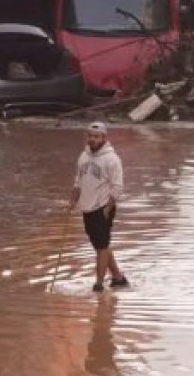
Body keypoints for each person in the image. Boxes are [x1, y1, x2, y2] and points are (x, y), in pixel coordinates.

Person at [68, 122, 128, 292]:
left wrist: (107, 210)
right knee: (100, 244)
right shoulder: (83, 156)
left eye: (96, 136)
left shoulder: (112, 159)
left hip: (102, 207)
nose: (92, 139)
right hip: (86, 207)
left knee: (101, 247)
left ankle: (99, 285)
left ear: (104, 138)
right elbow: (77, 182)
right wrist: (73, 201)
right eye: (90, 136)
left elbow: (118, 187)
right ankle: (118, 278)